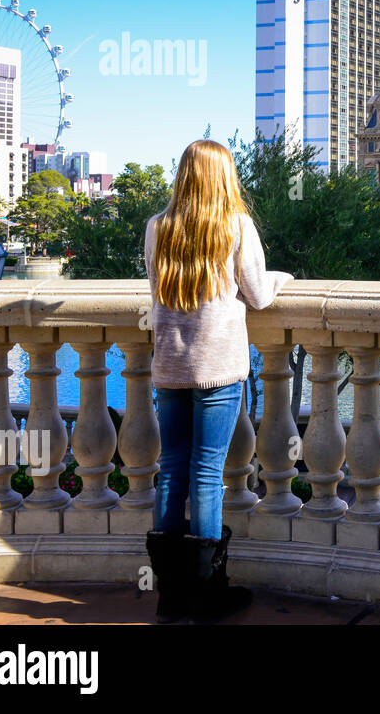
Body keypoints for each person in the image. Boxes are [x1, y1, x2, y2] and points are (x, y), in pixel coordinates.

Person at [143, 140, 293, 624]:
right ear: (224, 177)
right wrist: (282, 278)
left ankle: (171, 596)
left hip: (170, 365)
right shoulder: (236, 226)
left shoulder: (157, 228)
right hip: (218, 368)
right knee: (206, 474)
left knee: (171, 469)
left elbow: (156, 290)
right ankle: (207, 595)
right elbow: (257, 293)